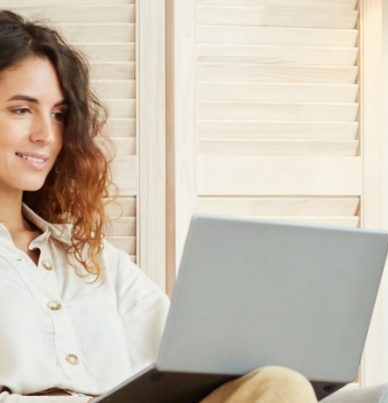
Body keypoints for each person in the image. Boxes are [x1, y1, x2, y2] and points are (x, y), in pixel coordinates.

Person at [0, 10, 317, 403]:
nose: (46, 135)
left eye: (59, 115)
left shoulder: (93, 257)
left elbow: (185, 360)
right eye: (21, 110)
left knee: (281, 384)